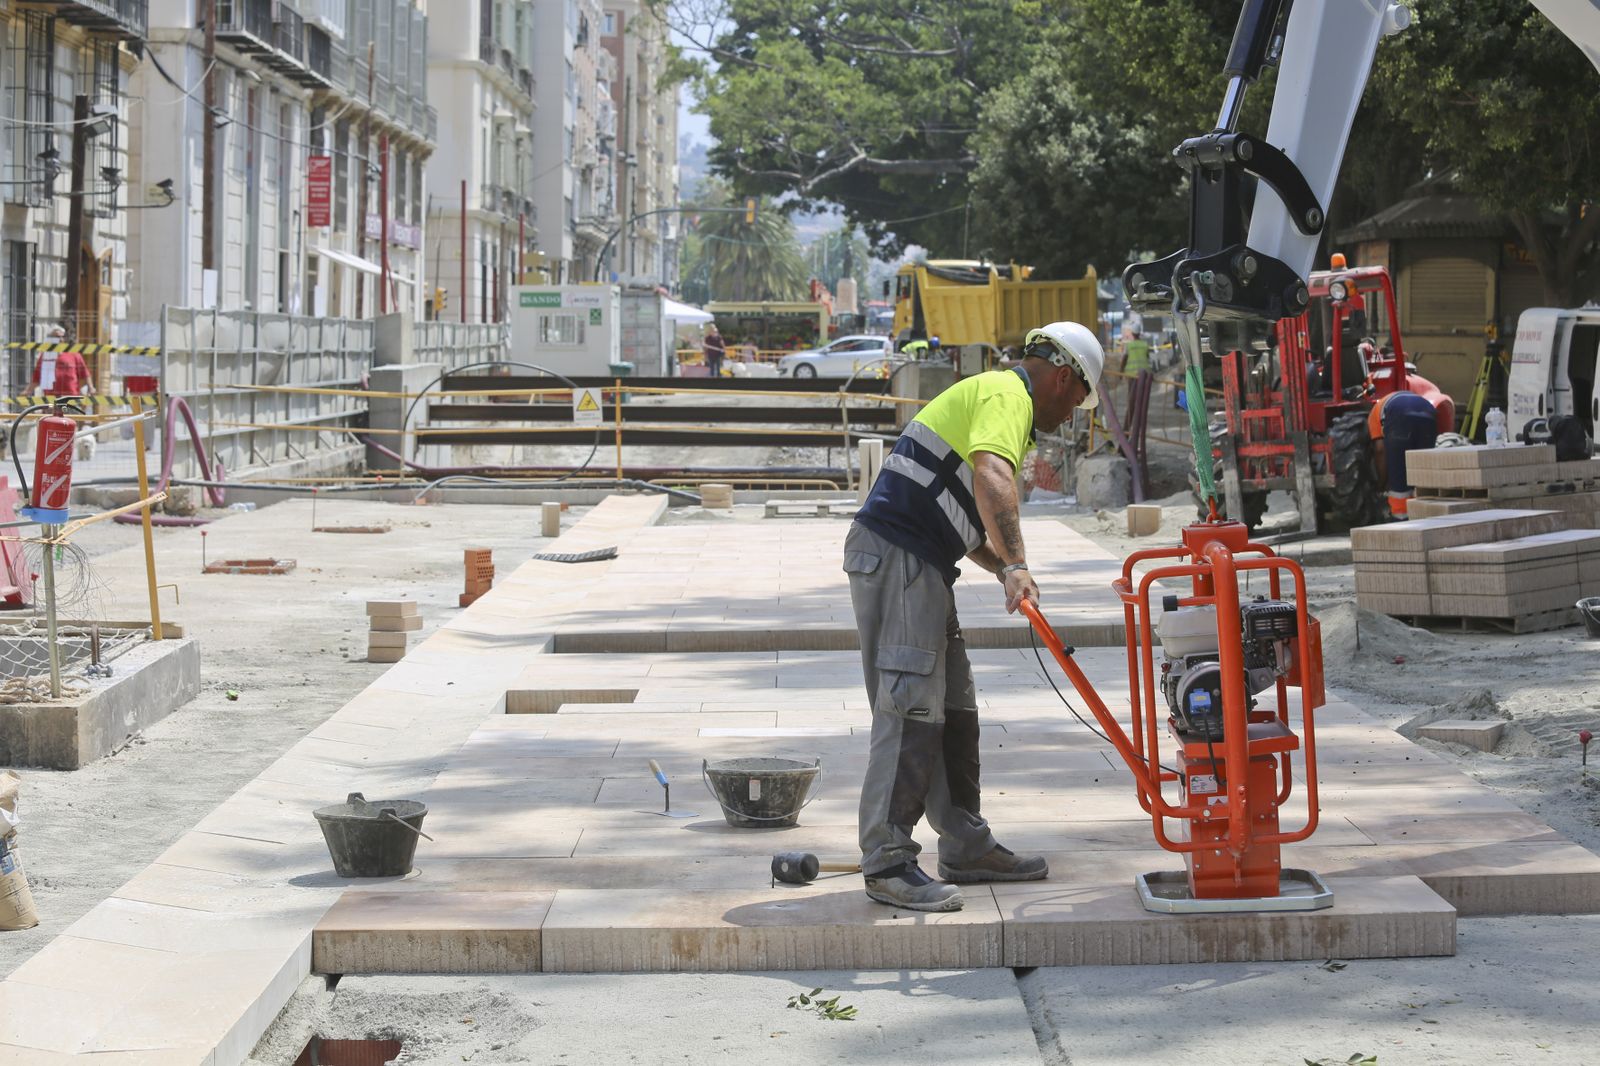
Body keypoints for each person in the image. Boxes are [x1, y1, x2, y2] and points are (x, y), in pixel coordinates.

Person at [844, 320, 1104, 911]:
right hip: (897, 555)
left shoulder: (997, 397)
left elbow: (964, 509)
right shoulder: (1006, 396)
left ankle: (964, 845)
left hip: (925, 560)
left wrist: (996, 565)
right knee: (910, 705)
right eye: (1078, 400)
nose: (1072, 414)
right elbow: (992, 476)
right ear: (1064, 378)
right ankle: (886, 860)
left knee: (952, 707)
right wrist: (1016, 565)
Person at [1368, 373, 1454, 516]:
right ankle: (1427, 514)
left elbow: (1380, 450)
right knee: (1425, 473)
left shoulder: (1374, 415)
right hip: (1427, 411)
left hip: (1398, 416)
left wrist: (1381, 483)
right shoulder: (1401, 396)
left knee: (1399, 479)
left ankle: (1400, 518)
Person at [31, 327, 93, 398]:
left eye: (62, 337)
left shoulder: (73, 354)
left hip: (71, 399)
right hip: (51, 399)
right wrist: (27, 391)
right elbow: (37, 377)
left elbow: (85, 373)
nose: (60, 339)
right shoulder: (45, 356)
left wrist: (91, 388)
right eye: (57, 337)